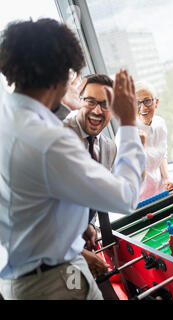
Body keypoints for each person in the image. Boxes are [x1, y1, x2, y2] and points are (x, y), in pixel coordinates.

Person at [0, 19, 146, 300]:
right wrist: (127, 122)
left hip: (26, 276)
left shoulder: (9, 118)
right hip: (51, 284)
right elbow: (126, 197)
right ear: (61, 74)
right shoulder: (50, 139)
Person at [63, 74, 117, 253]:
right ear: (78, 100)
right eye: (90, 101)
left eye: (105, 104)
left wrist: (89, 225)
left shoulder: (109, 148)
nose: (98, 111)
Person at [135, 81, 173, 201]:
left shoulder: (160, 123)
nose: (143, 108)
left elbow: (161, 155)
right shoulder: (126, 132)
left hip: (161, 191)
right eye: (137, 103)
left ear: (156, 102)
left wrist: (167, 178)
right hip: (139, 199)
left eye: (147, 101)